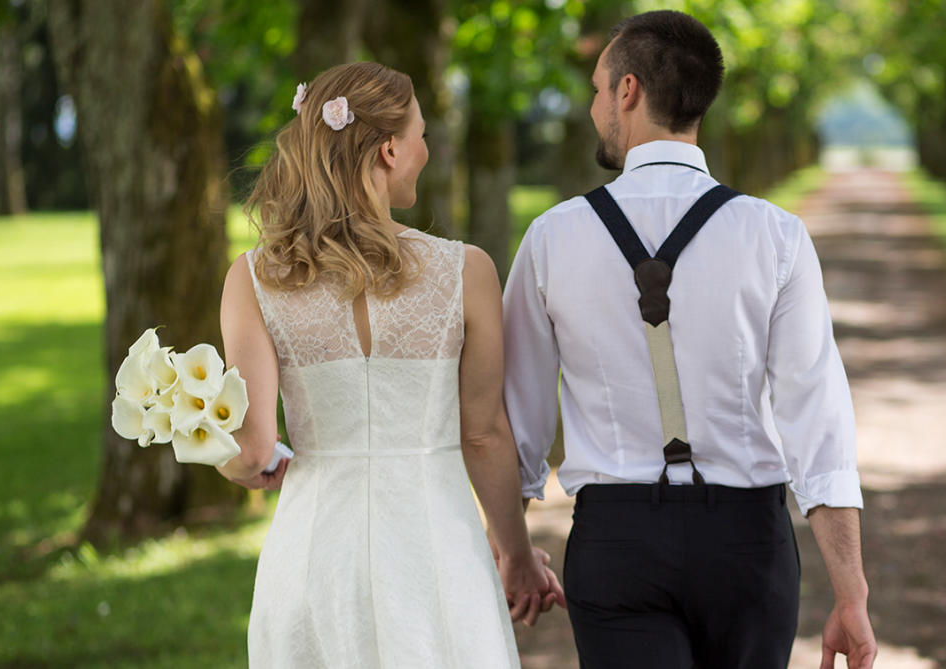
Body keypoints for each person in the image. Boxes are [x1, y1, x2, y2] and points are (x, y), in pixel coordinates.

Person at [503, 11, 876, 669]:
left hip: (615, 543)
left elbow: (517, 425)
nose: (593, 109)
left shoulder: (551, 238)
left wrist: (511, 552)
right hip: (747, 544)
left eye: (596, 89)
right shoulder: (776, 235)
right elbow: (816, 417)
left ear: (628, 91)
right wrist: (851, 591)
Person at [215, 62, 562, 667]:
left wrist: (237, 468)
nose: (426, 149)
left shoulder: (254, 277)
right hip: (437, 552)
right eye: (422, 133)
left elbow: (251, 449)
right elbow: (483, 434)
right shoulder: (467, 271)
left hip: (313, 555)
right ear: (390, 149)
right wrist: (516, 555)